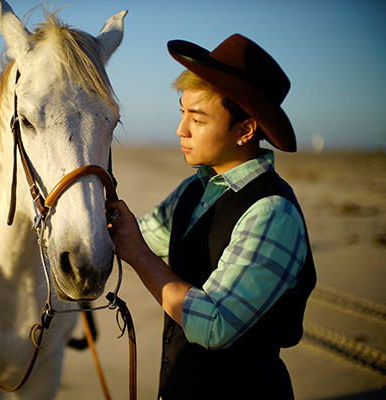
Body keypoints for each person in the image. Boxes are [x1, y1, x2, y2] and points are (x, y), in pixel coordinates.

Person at [106, 34, 316, 399]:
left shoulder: (271, 211)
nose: (180, 130)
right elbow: (140, 234)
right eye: (182, 112)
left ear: (245, 130)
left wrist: (139, 256)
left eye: (198, 119)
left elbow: (213, 324)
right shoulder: (195, 189)